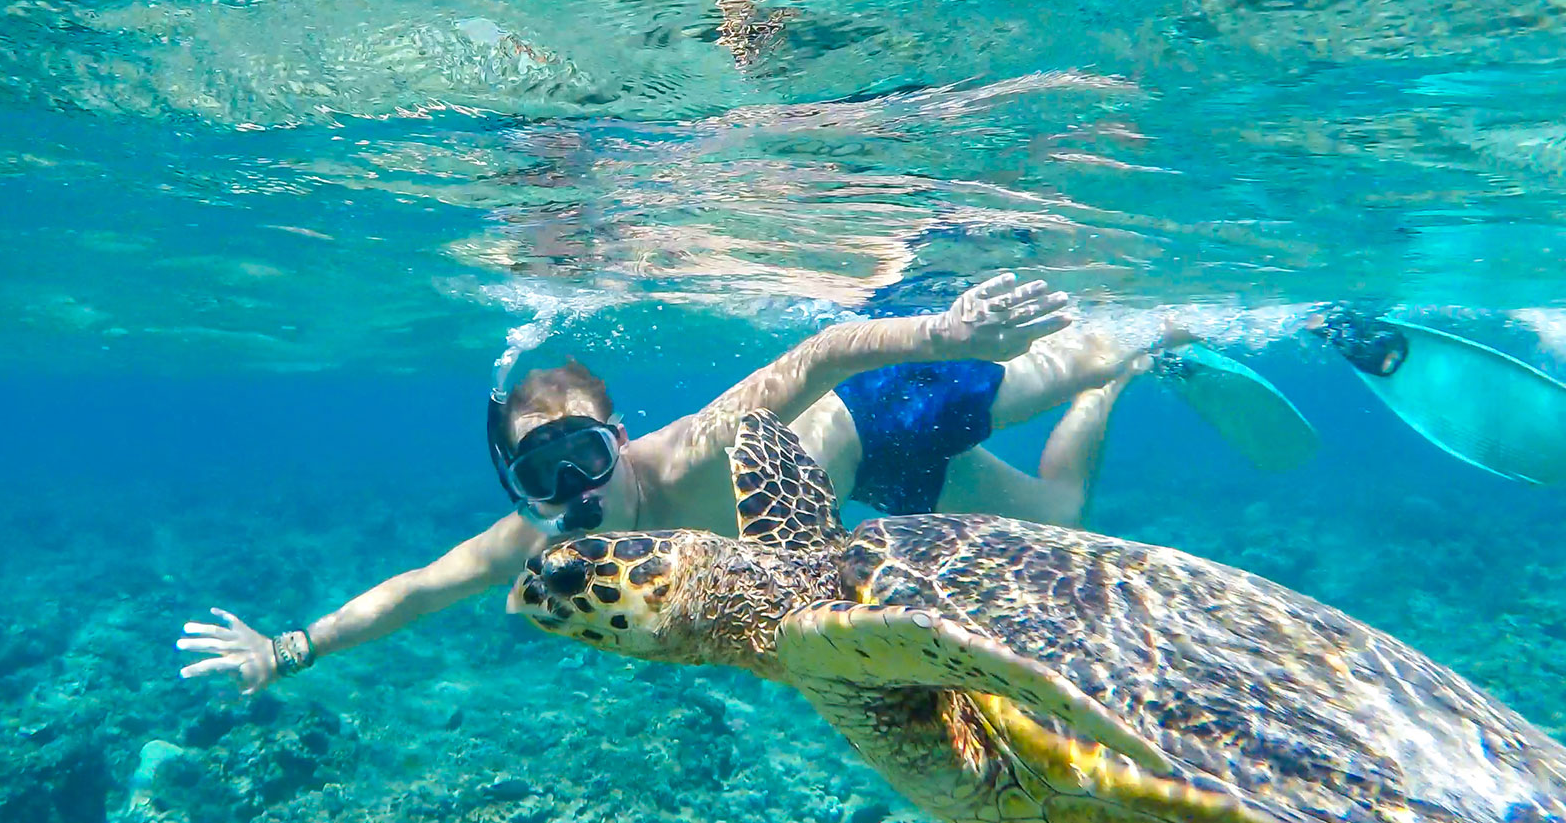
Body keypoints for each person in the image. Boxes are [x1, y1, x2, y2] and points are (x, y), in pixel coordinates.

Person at [179, 272, 1156, 692]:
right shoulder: (543, 541)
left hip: (880, 407)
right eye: (542, 470)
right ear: (519, 484)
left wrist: (937, 334)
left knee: (1057, 365)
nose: (574, 489)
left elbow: (815, 357)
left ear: (620, 438)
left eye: (584, 455)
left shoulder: (686, 454)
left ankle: (1152, 332)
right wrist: (291, 647)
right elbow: (419, 589)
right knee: (1065, 513)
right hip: (859, 490)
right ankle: (1123, 385)